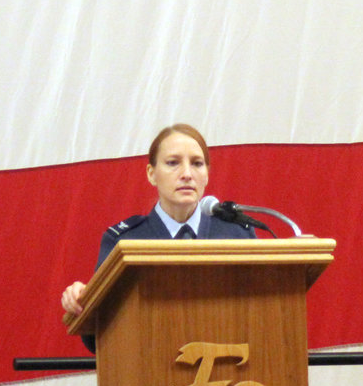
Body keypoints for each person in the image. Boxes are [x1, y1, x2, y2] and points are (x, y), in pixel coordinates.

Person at [60, 123, 255, 316]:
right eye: (173, 163)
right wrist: (81, 300)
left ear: (206, 175)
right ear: (151, 174)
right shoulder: (124, 241)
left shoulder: (237, 233)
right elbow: (98, 333)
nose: (187, 174)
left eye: (197, 163)